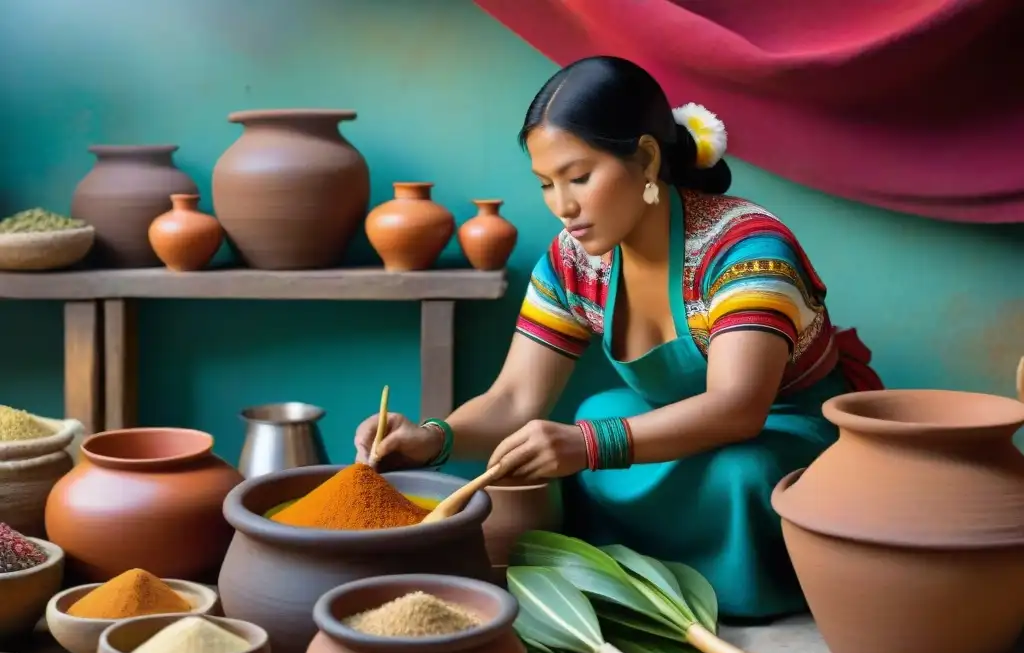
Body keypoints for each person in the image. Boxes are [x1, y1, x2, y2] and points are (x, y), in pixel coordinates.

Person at [354, 56, 883, 621]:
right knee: (599, 407)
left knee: (739, 473)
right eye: (546, 185)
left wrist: (586, 445)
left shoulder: (746, 249)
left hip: (779, 433)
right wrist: (433, 438)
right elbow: (514, 400)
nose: (563, 206)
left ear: (648, 158)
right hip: (667, 428)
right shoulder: (570, 262)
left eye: (579, 177)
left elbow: (737, 409)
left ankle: (738, 586)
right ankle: (628, 576)